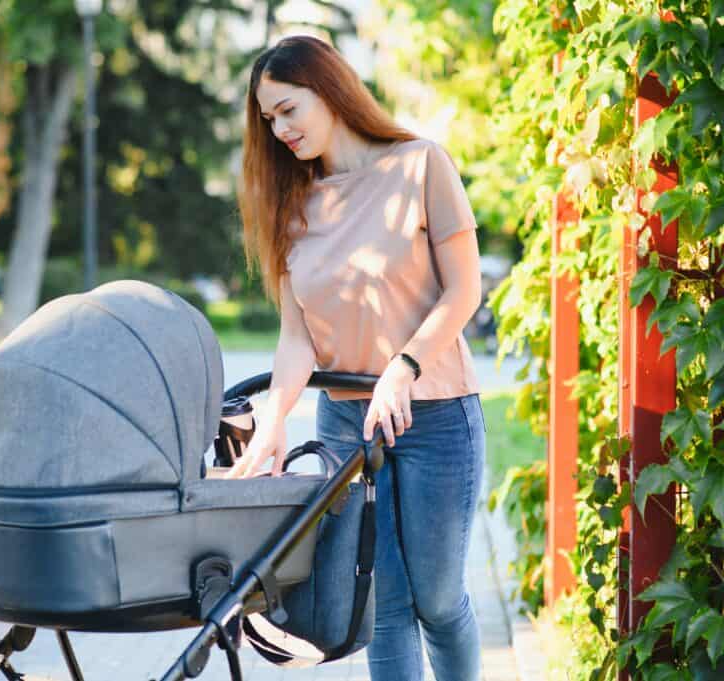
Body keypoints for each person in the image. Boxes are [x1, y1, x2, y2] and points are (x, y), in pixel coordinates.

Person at [225, 35, 487, 681]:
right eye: (269, 119)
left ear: (329, 90)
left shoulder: (421, 164)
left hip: (435, 414)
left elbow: (464, 291)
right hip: (346, 425)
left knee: (438, 600)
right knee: (380, 606)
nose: (279, 129)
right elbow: (297, 336)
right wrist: (274, 418)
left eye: (288, 109)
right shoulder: (291, 203)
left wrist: (404, 366)